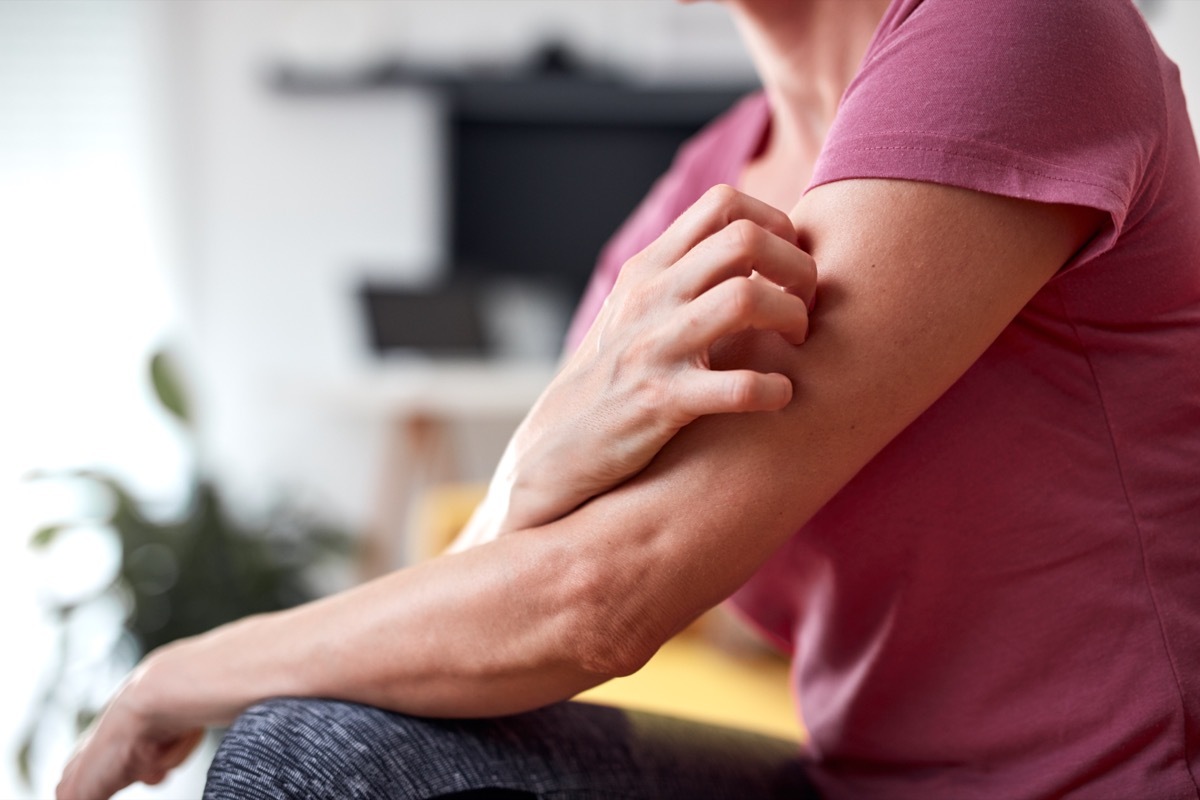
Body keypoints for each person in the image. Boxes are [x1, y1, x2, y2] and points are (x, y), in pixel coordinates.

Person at [57, 0, 1200, 797]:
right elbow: (502, 603)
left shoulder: (1021, 30)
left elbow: (601, 597)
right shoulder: (686, 212)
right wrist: (535, 456)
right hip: (843, 780)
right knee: (335, 750)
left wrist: (181, 671)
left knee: (315, 746)